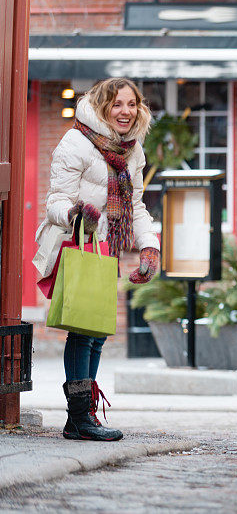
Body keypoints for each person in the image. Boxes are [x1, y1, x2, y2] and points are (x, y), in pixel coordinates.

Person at [34, 78, 160, 441]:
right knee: (84, 330)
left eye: (131, 104)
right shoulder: (76, 142)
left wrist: (148, 246)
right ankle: (78, 418)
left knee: (98, 333)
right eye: (117, 104)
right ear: (103, 106)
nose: (125, 111)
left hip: (107, 246)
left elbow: (135, 205)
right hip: (78, 242)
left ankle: (83, 416)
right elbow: (55, 201)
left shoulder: (131, 150)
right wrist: (77, 212)